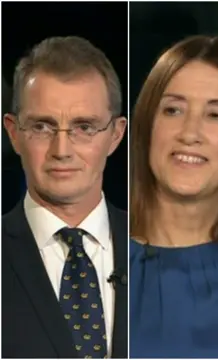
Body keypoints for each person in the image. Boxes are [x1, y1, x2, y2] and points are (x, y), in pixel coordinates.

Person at [128, 35, 218, 358]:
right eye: (172, 110)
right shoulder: (93, 257)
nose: (189, 133)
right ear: (147, 125)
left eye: (216, 115)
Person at [2, 36, 128, 358]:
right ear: (13, 133)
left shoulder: (163, 254)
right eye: (42, 127)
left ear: (115, 134)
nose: (62, 151)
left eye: (84, 127)